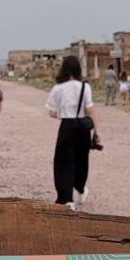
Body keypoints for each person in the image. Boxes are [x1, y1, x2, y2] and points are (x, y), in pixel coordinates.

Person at [45, 55, 101, 210]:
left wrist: (64, 112)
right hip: (83, 127)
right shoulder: (85, 87)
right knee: (81, 160)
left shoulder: (58, 88)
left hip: (67, 126)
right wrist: (96, 131)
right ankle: (81, 188)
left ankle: (66, 199)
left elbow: (52, 112)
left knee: (63, 162)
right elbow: (90, 110)